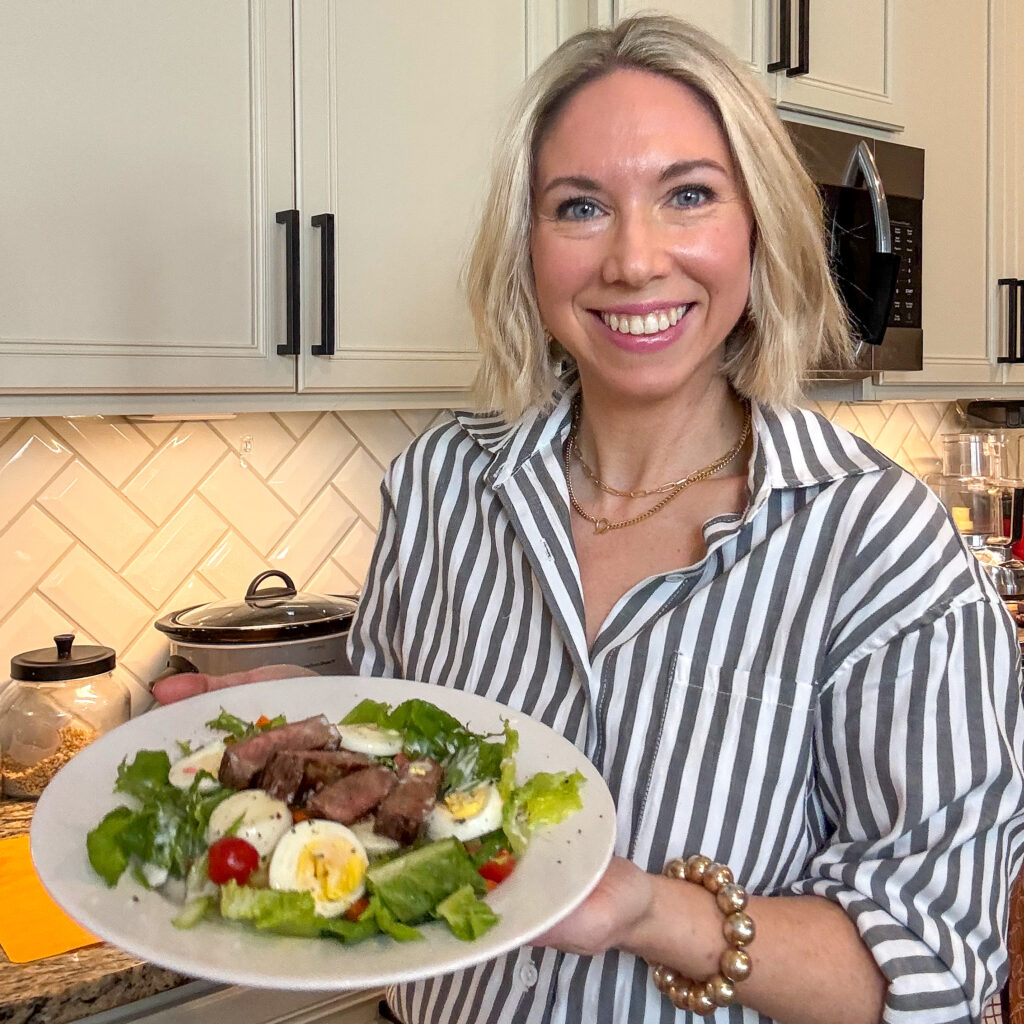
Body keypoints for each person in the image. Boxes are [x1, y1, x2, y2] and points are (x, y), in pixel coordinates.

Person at [155, 14, 1024, 1024]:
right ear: (526, 245)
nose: (633, 259)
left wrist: (650, 912)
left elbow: (937, 967)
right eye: (578, 207)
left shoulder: (877, 543)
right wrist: (315, 722)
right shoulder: (440, 487)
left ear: (757, 225)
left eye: (688, 194)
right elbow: (407, 791)